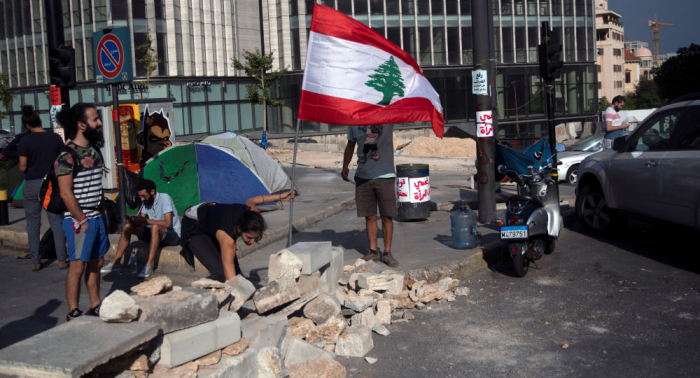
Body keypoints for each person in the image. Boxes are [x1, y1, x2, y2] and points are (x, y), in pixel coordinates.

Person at [55, 103, 110, 321]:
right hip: (79, 220)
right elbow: (66, 193)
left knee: (97, 262)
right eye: (95, 119)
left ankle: (95, 305)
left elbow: (97, 187)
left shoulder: (94, 152)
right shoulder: (66, 156)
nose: (99, 123)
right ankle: (73, 311)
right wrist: (82, 219)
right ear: (81, 124)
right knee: (77, 265)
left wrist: (103, 212)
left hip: (97, 216)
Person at [179, 191, 294, 282]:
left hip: (212, 218)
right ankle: (204, 288)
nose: (252, 242)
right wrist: (237, 298)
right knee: (223, 275)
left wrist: (279, 196)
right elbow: (230, 276)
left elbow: (252, 200)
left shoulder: (252, 215)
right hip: (193, 225)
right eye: (249, 237)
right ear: (239, 229)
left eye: (256, 238)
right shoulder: (228, 238)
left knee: (238, 276)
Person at [17, 105, 68, 271]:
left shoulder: (24, 140)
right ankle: (62, 259)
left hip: (32, 184)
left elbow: (23, 167)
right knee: (56, 221)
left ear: (27, 125)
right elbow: (62, 161)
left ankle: (36, 261)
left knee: (33, 224)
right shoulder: (54, 138)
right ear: (40, 121)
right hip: (51, 184)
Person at [341, 125, 399, 267]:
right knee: (370, 215)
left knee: (386, 215)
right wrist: (345, 166)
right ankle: (373, 250)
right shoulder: (353, 123)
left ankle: (387, 252)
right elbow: (350, 145)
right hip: (363, 176)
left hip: (385, 175)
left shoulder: (385, 118)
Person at [101, 179, 181, 278]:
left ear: (152, 192)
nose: (142, 199)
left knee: (155, 227)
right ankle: (116, 262)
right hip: (155, 234)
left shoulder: (164, 198)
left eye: (144, 196)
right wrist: (133, 221)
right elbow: (141, 219)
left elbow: (168, 223)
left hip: (172, 235)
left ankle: (149, 266)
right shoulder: (146, 202)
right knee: (127, 227)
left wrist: (146, 221)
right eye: (140, 196)